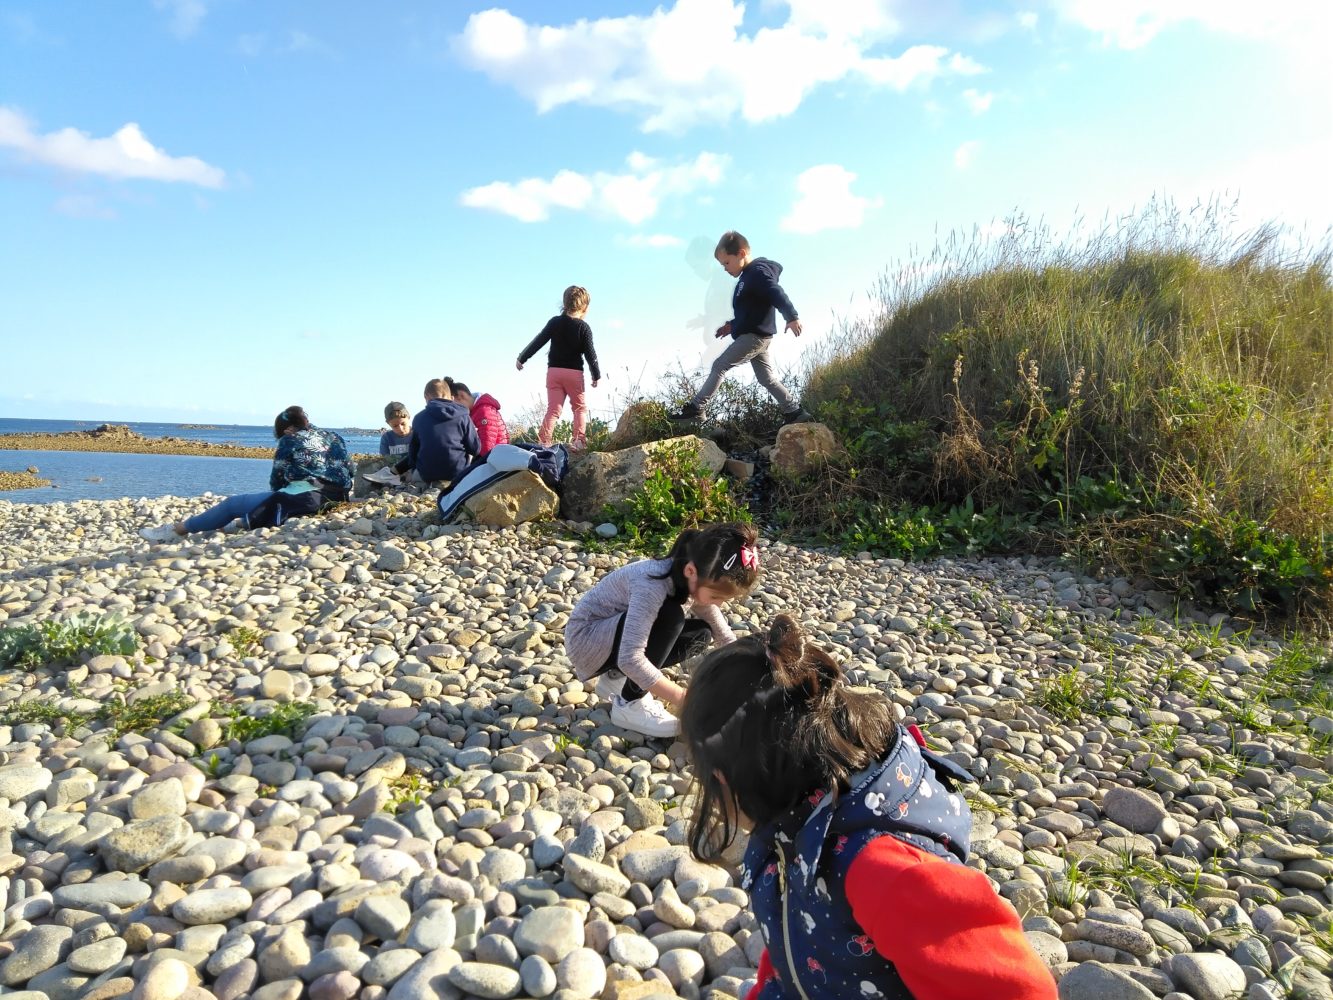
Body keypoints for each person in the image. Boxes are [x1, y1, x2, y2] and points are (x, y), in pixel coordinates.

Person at [679, 615, 1059, 1000]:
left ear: (726, 779)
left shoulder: (888, 873)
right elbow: (792, 938)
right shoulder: (792, 825)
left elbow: (1023, 992)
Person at [564, 522, 759, 738]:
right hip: (586, 641)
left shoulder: (686, 574)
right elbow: (630, 657)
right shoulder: (652, 584)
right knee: (671, 618)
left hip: (610, 639)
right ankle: (629, 705)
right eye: (716, 597)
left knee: (701, 633)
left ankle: (615, 678)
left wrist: (741, 664)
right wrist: (685, 699)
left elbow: (717, 626)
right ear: (691, 571)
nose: (719, 604)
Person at [139, 406, 353, 541]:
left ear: (287, 430)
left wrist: (271, 499)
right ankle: (239, 522)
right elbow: (349, 468)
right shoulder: (333, 436)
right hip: (338, 496)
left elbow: (277, 477)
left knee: (233, 504)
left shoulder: (290, 439)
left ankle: (176, 530)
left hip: (308, 498)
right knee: (255, 505)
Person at [670, 231, 812, 426]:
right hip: (756, 335)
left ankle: (696, 409)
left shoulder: (757, 273)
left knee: (719, 366)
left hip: (754, 337)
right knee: (766, 379)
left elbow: (775, 292)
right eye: (722, 265)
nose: (725, 268)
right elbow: (749, 312)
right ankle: (794, 411)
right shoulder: (747, 277)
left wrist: (791, 317)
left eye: (727, 263)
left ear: (741, 253)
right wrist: (731, 326)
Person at [516, 285, 601, 451]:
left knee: (553, 409)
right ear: (584, 307)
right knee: (579, 408)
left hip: (554, 373)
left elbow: (538, 341)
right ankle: (578, 442)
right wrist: (596, 374)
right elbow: (591, 354)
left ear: (565, 303)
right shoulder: (584, 328)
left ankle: (543, 443)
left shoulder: (555, 322)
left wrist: (522, 358)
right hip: (574, 374)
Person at [392, 379, 480, 486]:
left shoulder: (419, 418)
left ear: (426, 397)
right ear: (450, 397)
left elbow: (413, 452)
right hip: (457, 473)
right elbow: (475, 449)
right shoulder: (463, 416)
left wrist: (414, 468)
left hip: (427, 475)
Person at [446, 379, 509, 458]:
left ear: (461, 395)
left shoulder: (484, 411)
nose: (456, 410)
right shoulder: (474, 412)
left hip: (496, 457)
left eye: (455, 406)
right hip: (493, 456)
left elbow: (486, 446)